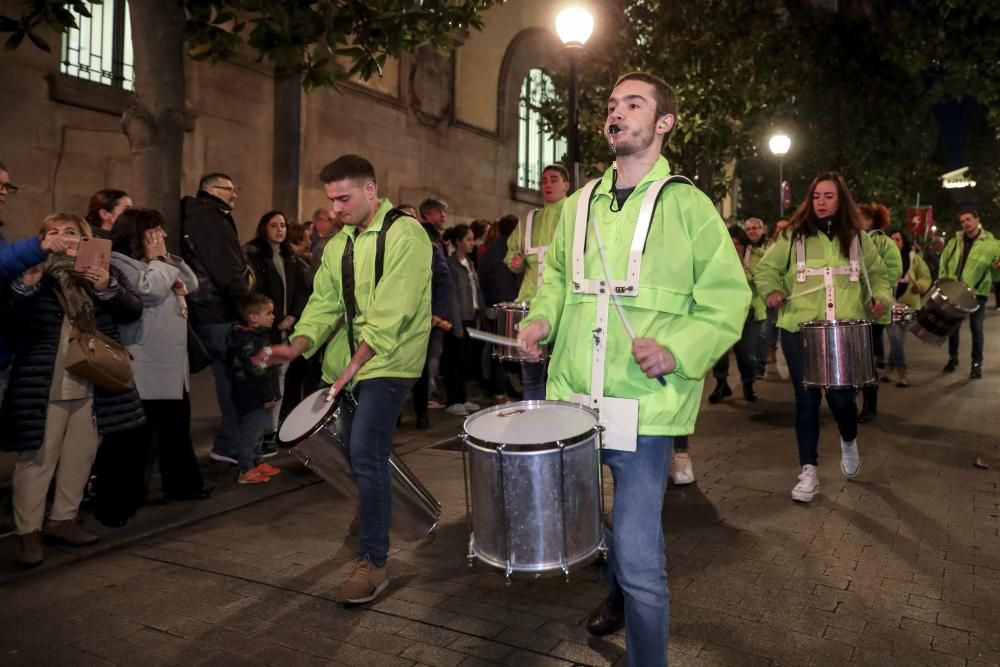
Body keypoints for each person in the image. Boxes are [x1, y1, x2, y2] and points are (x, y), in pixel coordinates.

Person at [517, 72, 750, 666]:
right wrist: (540, 322)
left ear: (664, 123)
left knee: (641, 551)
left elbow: (727, 300)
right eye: (613, 104)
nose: (616, 112)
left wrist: (677, 350)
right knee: (582, 530)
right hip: (573, 398)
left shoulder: (690, 206)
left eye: (634, 103)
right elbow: (555, 287)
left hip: (643, 410)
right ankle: (614, 590)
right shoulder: (577, 204)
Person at [260, 154, 431, 605]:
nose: (335, 209)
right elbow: (324, 304)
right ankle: (379, 509)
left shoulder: (406, 234)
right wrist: (297, 346)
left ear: (371, 189)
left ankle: (374, 561)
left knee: (364, 451)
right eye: (331, 200)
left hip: (390, 362)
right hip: (348, 365)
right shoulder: (339, 245)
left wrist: (353, 368)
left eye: (344, 198)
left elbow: (393, 312)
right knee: (357, 453)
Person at [1, 213, 145, 567]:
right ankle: (28, 532)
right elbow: (10, 322)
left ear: (85, 238)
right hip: (44, 382)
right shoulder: (35, 271)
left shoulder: (100, 270)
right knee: (37, 459)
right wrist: (27, 287)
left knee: (81, 455)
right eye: (54, 231)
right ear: (43, 238)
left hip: (93, 382)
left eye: (71, 231)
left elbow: (132, 310)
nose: (63, 237)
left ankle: (63, 519)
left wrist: (106, 285)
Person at [755, 172, 890, 504]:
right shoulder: (793, 236)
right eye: (816, 196)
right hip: (799, 330)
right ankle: (809, 470)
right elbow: (766, 270)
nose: (821, 202)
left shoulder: (858, 238)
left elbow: (879, 275)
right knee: (806, 401)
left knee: (843, 400)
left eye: (829, 196)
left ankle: (848, 439)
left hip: (844, 330)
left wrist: (881, 299)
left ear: (841, 199)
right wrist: (772, 291)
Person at [110, 208, 208, 504]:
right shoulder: (119, 262)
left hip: (171, 365)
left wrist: (163, 259)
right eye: (157, 230)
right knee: (139, 437)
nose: (163, 236)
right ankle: (128, 495)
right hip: (145, 362)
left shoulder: (150, 261)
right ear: (140, 233)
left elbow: (190, 284)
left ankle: (182, 486)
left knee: (176, 431)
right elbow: (149, 290)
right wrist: (156, 260)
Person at [180, 172, 253, 466]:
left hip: (208, 308)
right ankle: (230, 445)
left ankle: (231, 442)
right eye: (229, 189)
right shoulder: (209, 218)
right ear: (210, 190)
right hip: (217, 309)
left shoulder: (202, 215)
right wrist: (244, 301)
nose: (234, 195)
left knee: (231, 380)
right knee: (234, 381)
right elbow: (226, 267)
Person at [505, 164, 571, 400]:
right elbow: (514, 253)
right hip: (532, 306)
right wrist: (515, 261)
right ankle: (534, 429)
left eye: (554, 179)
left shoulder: (575, 215)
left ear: (567, 185)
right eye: (543, 180)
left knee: (564, 375)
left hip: (566, 308)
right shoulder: (528, 221)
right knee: (531, 378)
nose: (548, 184)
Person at [245, 210, 308, 433]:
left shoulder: (290, 257)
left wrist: (292, 315)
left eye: (283, 225)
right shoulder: (253, 255)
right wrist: (277, 319)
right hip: (264, 327)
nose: (280, 229)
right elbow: (257, 291)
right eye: (274, 225)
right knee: (264, 380)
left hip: (287, 326)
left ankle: (272, 428)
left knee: (281, 378)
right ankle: (260, 431)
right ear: (264, 228)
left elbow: (301, 290)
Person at [227, 294, 282, 484]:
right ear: (253, 317)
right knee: (251, 433)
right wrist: (268, 396)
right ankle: (246, 469)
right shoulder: (251, 341)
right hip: (252, 396)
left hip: (252, 393)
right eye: (269, 313)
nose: (273, 316)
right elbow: (257, 372)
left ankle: (257, 462)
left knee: (259, 431)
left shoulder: (253, 336)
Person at [708, 225, 764, 404]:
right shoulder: (716, 256)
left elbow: (765, 279)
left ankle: (748, 384)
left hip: (749, 313)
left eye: (737, 244)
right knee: (720, 352)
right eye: (730, 244)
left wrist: (746, 271)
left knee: (745, 354)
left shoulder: (756, 257)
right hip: (723, 312)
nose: (734, 248)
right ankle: (721, 384)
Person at [857, 203, 902, 422]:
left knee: (866, 361)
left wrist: (876, 296)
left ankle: (870, 406)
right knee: (856, 358)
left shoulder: (885, 243)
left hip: (874, 312)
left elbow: (891, 273)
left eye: (860, 217)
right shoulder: (851, 239)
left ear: (871, 221)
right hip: (853, 310)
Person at [940, 210, 996, 378]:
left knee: (976, 329)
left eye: (968, 219)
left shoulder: (992, 244)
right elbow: (944, 263)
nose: (965, 223)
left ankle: (976, 365)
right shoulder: (954, 242)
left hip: (978, 292)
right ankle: (953, 358)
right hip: (955, 291)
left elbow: (997, 268)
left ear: (977, 219)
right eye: (962, 221)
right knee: (952, 328)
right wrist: (944, 286)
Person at [442, 224, 485, 416]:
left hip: (471, 316)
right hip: (458, 319)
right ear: (458, 241)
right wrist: (456, 324)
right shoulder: (451, 264)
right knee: (455, 361)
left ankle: (462, 397)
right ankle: (453, 399)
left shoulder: (469, 262)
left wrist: (482, 311)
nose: (472, 243)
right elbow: (452, 296)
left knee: (466, 360)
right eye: (468, 239)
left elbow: (475, 290)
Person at [884, 229, 931, 387]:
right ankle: (903, 372)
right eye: (891, 239)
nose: (894, 242)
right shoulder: (883, 257)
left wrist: (921, 285)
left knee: (898, 339)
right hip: (890, 305)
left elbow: (926, 276)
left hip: (908, 305)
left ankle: (889, 369)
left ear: (904, 241)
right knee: (895, 338)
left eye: (897, 239)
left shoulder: (914, 258)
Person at [308, 207, 341, 280]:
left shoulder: (338, 238)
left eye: (333, 219)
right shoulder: (308, 237)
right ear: (318, 222)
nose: (333, 222)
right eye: (330, 219)